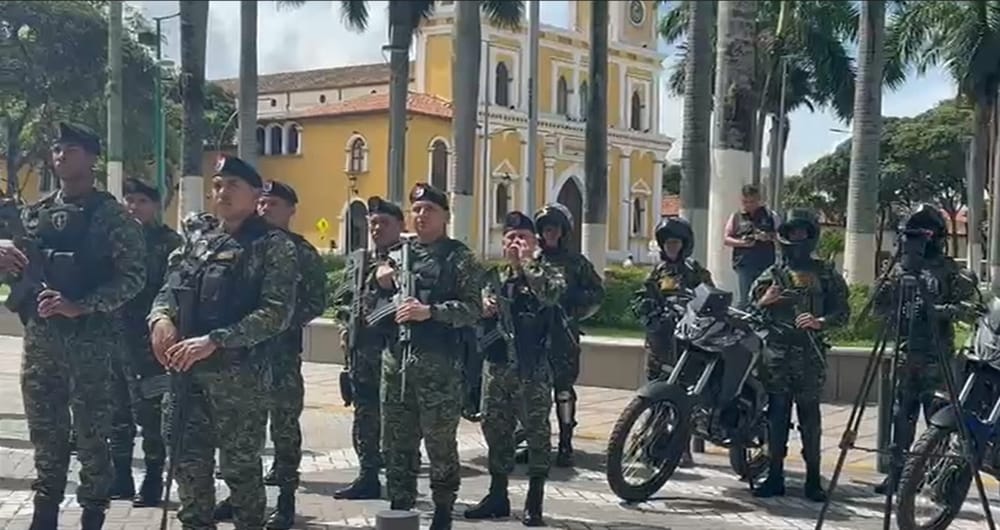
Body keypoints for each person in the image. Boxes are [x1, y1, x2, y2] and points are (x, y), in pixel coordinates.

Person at [0, 122, 146, 529]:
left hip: (91, 344)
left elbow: (133, 277)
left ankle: (93, 513)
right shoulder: (36, 214)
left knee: (92, 434)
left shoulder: (113, 217)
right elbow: (20, 269)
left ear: (92, 157)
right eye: (57, 148)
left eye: (71, 149)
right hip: (42, 341)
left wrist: (81, 306)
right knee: (45, 429)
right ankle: (45, 511)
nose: (61, 155)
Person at [148, 155, 299, 529]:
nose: (223, 191)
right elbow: (168, 290)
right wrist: (160, 319)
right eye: (218, 184)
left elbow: (276, 312)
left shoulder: (273, 246)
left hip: (239, 381)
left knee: (242, 472)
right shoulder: (199, 243)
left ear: (255, 193)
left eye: (233, 184)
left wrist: (216, 340)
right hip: (186, 377)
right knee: (188, 470)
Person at [213, 180, 327, 528]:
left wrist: (279, 321)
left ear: (291, 210)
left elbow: (315, 301)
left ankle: (287, 500)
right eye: (262, 203)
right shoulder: (241, 246)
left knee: (284, 429)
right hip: (241, 356)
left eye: (274, 204)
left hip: (279, 356)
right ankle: (238, 496)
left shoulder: (302, 252)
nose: (265, 209)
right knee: (241, 432)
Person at [376, 182, 482, 529]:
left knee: (439, 444)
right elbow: (369, 305)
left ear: (445, 216)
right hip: (397, 366)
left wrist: (431, 311)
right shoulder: (397, 254)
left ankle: (441, 508)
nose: (421, 216)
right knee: (396, 444)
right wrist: (381, 279)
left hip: (439, 368)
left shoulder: (459, 257)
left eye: (429, 210)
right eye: (417, 210)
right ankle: (400, 506)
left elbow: (472, 309)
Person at [464, 211, 565, 526]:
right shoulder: (493, 277)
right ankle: (498, 495)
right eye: (510, 237)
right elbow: (472, 309)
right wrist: (482, 305)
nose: (515, 243)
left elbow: (551, 295)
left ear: (535, 242)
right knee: (495, 429)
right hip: (497, 368)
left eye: (523, 237)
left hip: (532, 369)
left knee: (536, 432)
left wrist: (527, 264)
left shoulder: (548, 272)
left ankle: (534, 501)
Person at [871, 204, 979, 495]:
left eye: (921, 236)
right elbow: (877, 310)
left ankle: (932, 477)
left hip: (937, 356)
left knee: (938, 421)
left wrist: (939, 311)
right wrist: (890, 279)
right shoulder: (898, 270)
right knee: (900, 418)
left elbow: (971, 309)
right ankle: (897, 475)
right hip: (906, 354)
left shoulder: (951, 270)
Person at [749, 208, 849, 502]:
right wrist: (765, 301)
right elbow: (751, 311)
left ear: (811, 235)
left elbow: (843, 312)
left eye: (802, 233)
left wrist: (821, 322)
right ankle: (775, 475)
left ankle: (813, 480)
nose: (797, 239)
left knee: (811, 420)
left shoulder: (826, 273)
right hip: (777, 356)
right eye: (792, 233)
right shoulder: (773, 274)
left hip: (810, 355)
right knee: (776, 418)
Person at [107, 178, 183, 507]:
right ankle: (120, 475)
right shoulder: (113, 240)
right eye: (129, 200)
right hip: (113, 339)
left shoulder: (169, 244)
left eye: (141, 200)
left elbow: (175, 291)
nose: (133, 207)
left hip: (150, 345)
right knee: (116, 410)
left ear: (156, 206)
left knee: (151, 414)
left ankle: (153, 477)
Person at [330, 196, 404, 500]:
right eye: (372, 222)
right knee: (365, 418)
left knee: (397, 421)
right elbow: (341, 299)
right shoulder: (360, 260)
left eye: (383, 223)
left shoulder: (409, 259)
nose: (376, 228)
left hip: (394, 355)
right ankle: (367, 475)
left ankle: (401, 482)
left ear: (400, 226)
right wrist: (345, 325)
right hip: (362, 354)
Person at [526, 203, 604, 467]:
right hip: (534, 335)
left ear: (562, 232)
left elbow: (598, 294)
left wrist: (576, 304)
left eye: (555, 228)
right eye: (546, 228)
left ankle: (566, 443)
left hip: (563, 335)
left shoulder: (576, 263)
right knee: (534, 392)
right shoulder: (532, 261)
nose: (550, 233)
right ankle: (535, 443)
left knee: (563, 391)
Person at [631, 217, 713, 467]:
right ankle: (651, 442)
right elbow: (639, 302)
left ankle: (683, 448)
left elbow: (711, 299)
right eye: (667, 243)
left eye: (676, 242)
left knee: (684, 398)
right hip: (659, 346)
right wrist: (651, 314)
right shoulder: (655, 273)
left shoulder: (695, 271)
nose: (671, 247)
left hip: (687, 347)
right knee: (655, 395)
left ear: (684, 244)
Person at [725, 185, 779, 307]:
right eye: (745, 202)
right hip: (745, 264)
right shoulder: (736, 216)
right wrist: (743, 243)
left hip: (766, 264)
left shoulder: (771, 215)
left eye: (752, 201)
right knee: (746, 298)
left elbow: (781, 235)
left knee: (766, 297)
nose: (748, 205)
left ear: (758, 199)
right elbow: (727, 239)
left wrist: (767, 236)